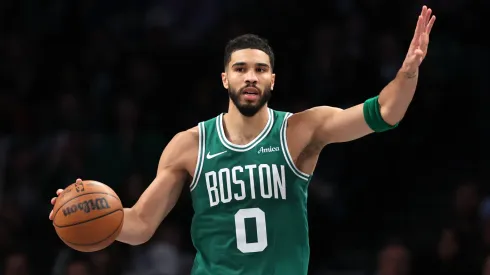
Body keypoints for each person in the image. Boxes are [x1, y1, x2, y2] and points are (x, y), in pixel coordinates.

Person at [49, 6, 436, 275]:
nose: (250, 76)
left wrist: (407, 73)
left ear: (272, 80)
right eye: (240, 68)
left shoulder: (301, 129)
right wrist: (89, 214)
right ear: (225, 79)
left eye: (260, 69)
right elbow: (140, 224)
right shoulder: (189, 145)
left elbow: (386, 113)